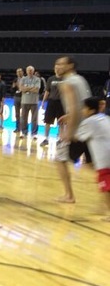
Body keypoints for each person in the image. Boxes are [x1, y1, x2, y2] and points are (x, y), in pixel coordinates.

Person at [54, 56, 92, 204]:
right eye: (56, 64)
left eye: (61, 64)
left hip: (79, 129)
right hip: (90, 126)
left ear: (70, 66)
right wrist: (69, 115)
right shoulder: (80, 79)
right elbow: (84, 105)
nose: (57, 67)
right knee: (93, 165)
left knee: (59, 159)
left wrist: (68, 132)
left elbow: (76, 109)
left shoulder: (67, 83)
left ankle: (69, 196)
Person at [74, 97, 110, 220]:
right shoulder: (105, 118)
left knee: (105, 186)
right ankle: (103, 207)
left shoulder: (89, 122)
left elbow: (78, 137)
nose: (82, 110)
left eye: (84, 108)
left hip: (104, 159)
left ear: (90, 109)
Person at [41, 63, 64, 145]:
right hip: (51, 102)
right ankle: (46, 138)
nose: (57, 69)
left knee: (61, 122)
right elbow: (47, 91)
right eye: (56, 68)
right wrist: (43, 102)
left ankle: (60, 138)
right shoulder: (51, 79)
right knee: (47, 121)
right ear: (54, 69)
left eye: (59, 68)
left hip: (61, 102)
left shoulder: (65, 79)